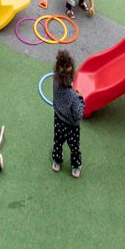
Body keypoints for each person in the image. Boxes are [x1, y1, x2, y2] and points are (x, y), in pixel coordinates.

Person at [51, 49, 85, 178]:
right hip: (71, 126)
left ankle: (57, 160)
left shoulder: (55, 83)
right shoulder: (73, 97)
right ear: (72, 76)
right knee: (74, 147)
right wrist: (81, 99)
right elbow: (78, 114)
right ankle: (75, 166)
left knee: (58, 141)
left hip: (58, 120)